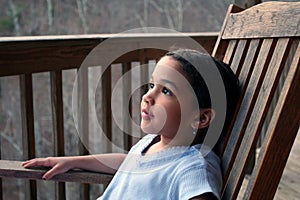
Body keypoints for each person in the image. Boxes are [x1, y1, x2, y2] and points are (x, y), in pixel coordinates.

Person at [22, 49, 240, 200]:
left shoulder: (193, 166)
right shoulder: (153, 144)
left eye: (166, 91)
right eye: (153, 84)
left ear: (200, 118)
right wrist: (75, 161)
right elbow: (132, 163)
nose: (148, 96)